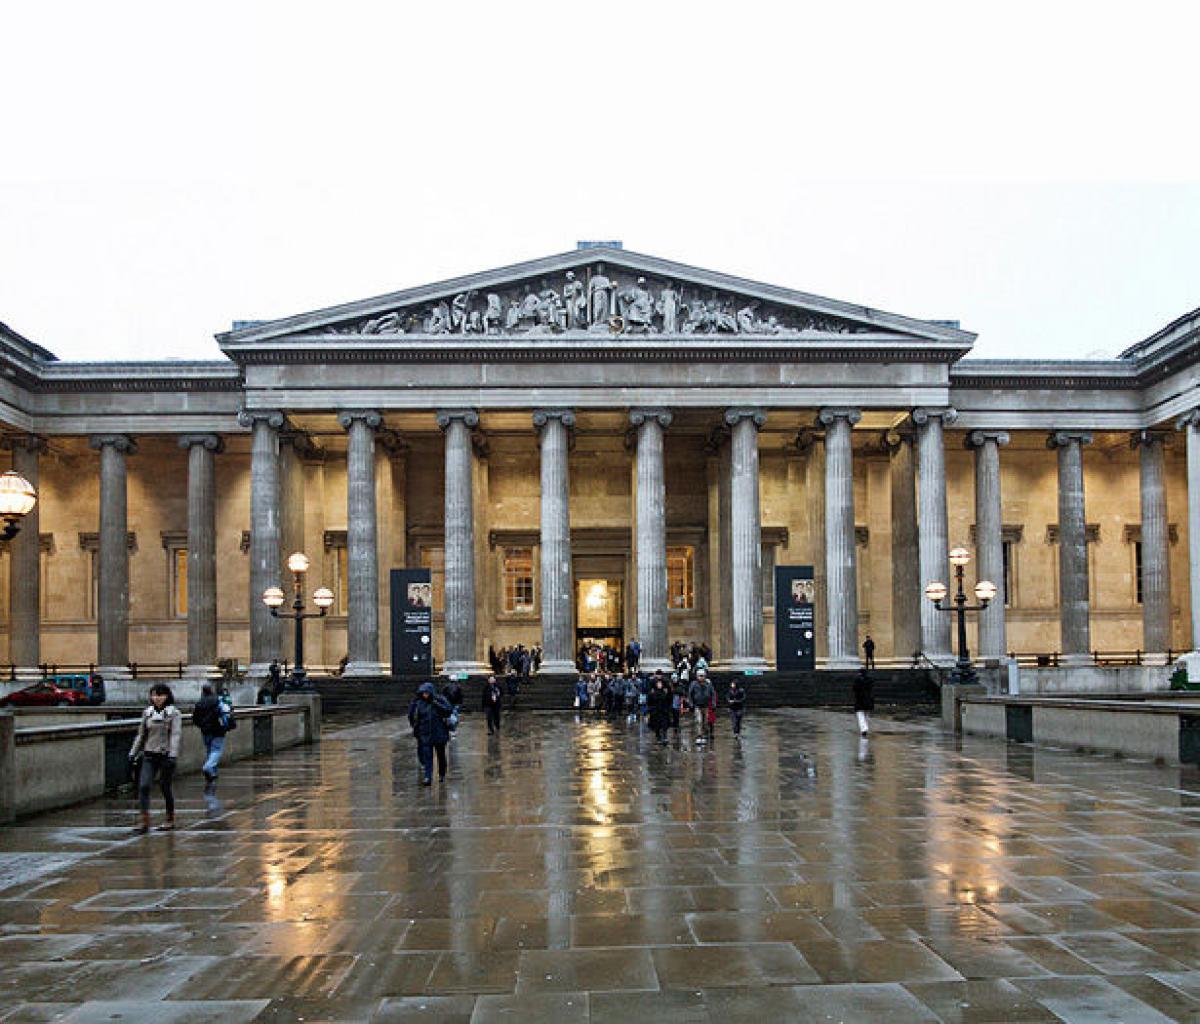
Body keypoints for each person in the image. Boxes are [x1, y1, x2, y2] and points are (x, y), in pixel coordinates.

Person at [128, 683, 182, 833]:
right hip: (149, 754)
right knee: (144, 786)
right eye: (154, 695)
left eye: (160, 695)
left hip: (165, 755)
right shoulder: (148, 713)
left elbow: (176, 735)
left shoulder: (174, 713)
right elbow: (141, 734)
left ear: (167, 696)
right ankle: (144, 820)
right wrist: (133, 752)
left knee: (165, 787)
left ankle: (169, 818)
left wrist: (173, 755)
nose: (157, 698)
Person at [408, 682, 453, 785]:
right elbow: (415, 717)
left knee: (441, 755)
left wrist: (435, 703)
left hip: (439, 733)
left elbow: (448, 710)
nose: (425, 695)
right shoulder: (419, 703)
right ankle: (428, 777)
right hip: (425, 734)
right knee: (427, 756)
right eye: (423, 693)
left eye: (427, 693)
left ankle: (442, 774)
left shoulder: (440, 699)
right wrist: (416, 730)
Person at [191, 683, 232, 794]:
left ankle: (213, 773)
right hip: (218, 730)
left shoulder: (199, 703)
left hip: (205, 730)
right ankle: (208, 767)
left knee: (209, 750)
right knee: (217, 750)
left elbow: (195, 718)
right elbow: (227, 711)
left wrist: (202, 725)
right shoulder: (217, 700)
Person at [687, 671, 715, 745]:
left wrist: (713, 703)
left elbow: (712, 694)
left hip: (706, 706)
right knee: (699, 721)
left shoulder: (708, 684)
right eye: (700, 676)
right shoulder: (694, 684)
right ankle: (699, 736)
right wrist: (691, 704)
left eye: (702, 676)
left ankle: (704, 734)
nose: (701, 677)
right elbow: (690, 694)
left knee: (705, 722)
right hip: (697, 705)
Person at [648, 676, 672, 743]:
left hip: (664, 710)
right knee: (657, 725)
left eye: (660, 683)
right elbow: (649, 702)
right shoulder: (652, 692)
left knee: (664, 724)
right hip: (655, 711)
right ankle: (658, 737)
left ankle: (664, 737)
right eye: (658, 684)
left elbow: (669, 699)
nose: (659, 685)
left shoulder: (665, 691)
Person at [853, 668, 875, 736]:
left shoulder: (857, 680)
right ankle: (865, 728)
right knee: (866, 715)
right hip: (868, 700)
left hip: (860, 700)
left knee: (860, 715)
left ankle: (864, 729)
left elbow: (854, 689)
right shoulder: (870, 680)